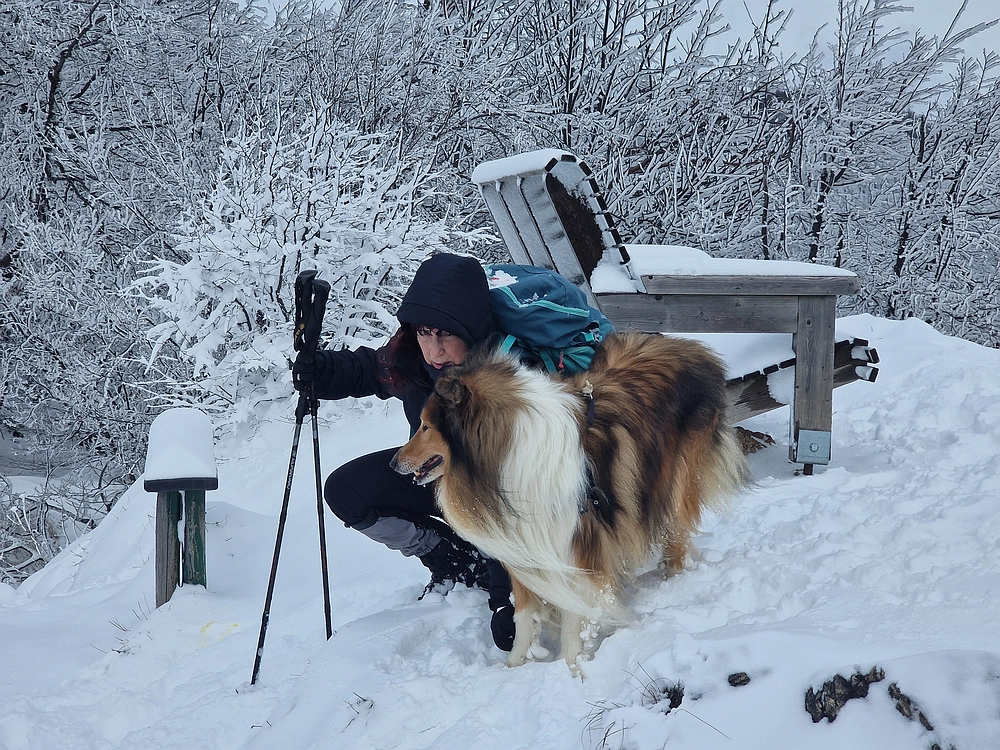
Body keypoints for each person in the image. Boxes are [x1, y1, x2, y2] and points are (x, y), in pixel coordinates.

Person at [291, 253, 515, 652]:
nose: (434, 349)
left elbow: (513, 500)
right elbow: (370, 370)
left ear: (473, 330)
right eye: (424, 333)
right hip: (435, 476)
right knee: (347, 490)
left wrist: (505, 601)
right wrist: (320, 369)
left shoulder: (504, 383)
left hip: (496, 499)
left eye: (446, 334)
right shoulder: (411, 358)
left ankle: (494, 570)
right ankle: (451, 558)